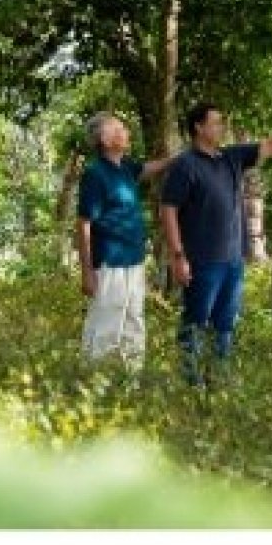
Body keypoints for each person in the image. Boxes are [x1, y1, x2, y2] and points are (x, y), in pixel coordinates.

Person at [160, 102, 272, 386]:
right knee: (195, 323)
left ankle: (219, 379)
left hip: (232, 259)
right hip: (201, 260)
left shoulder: (231, 158)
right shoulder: (185, 165)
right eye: (216, 123)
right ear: (198, 127)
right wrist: (178, 256)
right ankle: (191, 385)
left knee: (225, 324)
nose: (221, 127)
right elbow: (168, 210)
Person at [75, 111, 172, 373]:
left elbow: (147, 169)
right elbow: (84, 224)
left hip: (134, 259)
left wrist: (175, 159)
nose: (125, 133)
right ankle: (93, 381)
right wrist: (86, 271)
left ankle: (131, 381)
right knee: (106, 323)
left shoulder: (125, 166)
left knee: (134, 320)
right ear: (104, 140)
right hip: (109, 262)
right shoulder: (95, 174)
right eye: (118, 129)